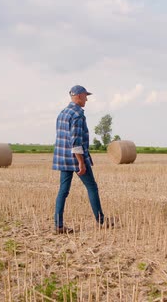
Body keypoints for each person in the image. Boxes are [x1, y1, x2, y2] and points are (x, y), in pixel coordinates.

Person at [52, 85, 113, 234]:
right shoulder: (77, 114)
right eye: (86, 96)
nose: (87, 99)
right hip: (75, 157)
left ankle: (58, 225)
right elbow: (76, 141)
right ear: (79, 96)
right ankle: (101, 221)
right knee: (92, 187)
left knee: (63, 191)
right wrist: (81, 162)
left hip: (62, 158)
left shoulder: (62, 113)